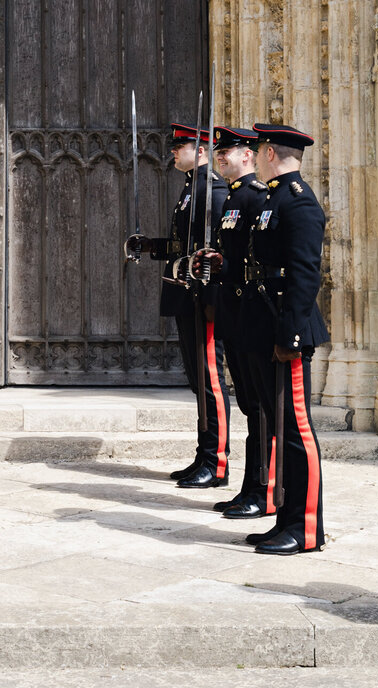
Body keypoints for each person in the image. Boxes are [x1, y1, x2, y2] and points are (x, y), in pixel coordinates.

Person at [126, 123, 229, 487]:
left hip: (203, 298)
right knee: (197, 379)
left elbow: (219, 253)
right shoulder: (192, 190)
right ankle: (204, 455)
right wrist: (150, 246)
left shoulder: (213, 191)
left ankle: (216, 461)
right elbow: (183, 245)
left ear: (201, 150)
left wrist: (213, 294)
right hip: (186, 294)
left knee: (210, 380)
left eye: (179, 146)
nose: (172, 151)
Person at [242, 122, 329, 555]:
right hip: (265, 323)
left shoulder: (300, 204)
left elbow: (304, 276)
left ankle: (305, 527)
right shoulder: (273, 198)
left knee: (297, 432)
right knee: (278, 426)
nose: (255, 157)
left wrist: (291, 335)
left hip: (286, 329)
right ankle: (285, 519)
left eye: (258, 151)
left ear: (271, 154)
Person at [195, 127, 275, 520]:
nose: (221, 156)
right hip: (234, 314)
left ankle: (263, 489)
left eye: (228, 150)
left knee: (260, 408)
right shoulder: (230, 198)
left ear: (249, 156)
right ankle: (251, 486)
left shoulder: (256, 197)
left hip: (250, 314)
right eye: (219, 151)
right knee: (250, 405)